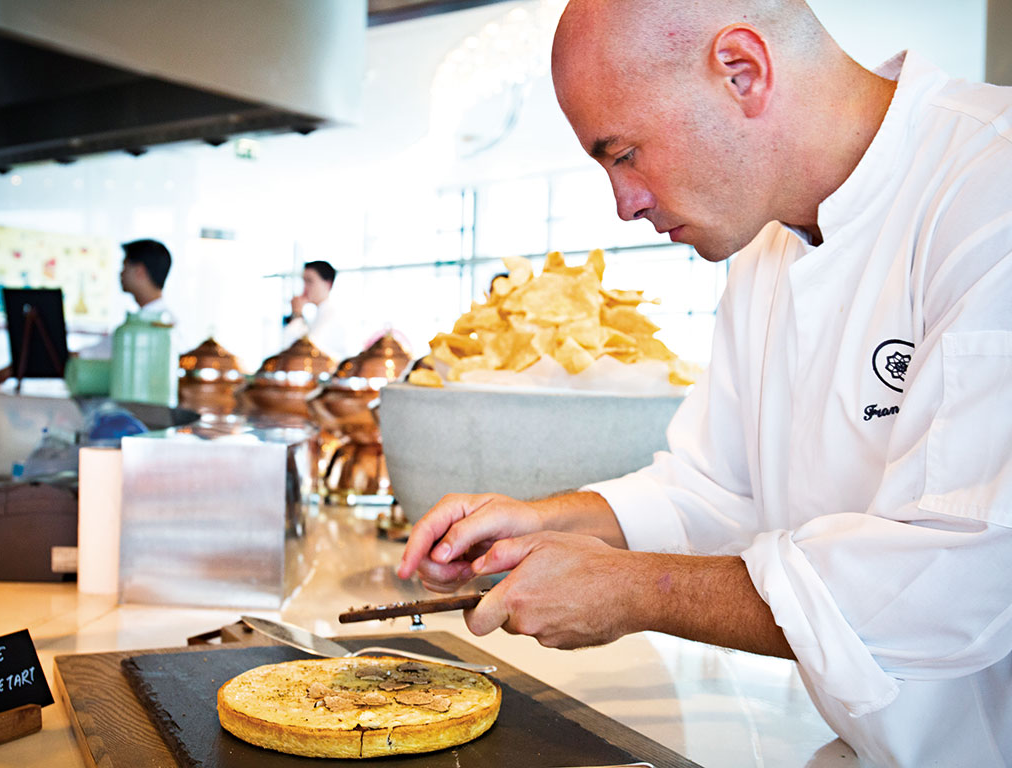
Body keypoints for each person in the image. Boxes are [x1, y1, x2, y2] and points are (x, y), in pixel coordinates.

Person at [397, 1, 1012, 766]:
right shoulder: (766, 247)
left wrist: (634, 590)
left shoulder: (993, 187)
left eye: (624, 155)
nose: (625, 205)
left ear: (742, 71)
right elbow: (718, 489)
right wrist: (548, 523)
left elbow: (961, 581)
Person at [0, 238, 176, 384]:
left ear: (140, 272)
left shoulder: (163, 326)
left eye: (124, 266)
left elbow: (88, 356)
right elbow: (89, 354)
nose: (120, 273)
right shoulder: (137, 323)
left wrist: (19, 367)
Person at [283, 260, 349, 361]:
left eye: (309, 281)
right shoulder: (319, 314)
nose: (304, 288)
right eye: (303, 281)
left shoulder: (332, 314)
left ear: (328, 284)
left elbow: (306, 351)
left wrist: (297, 314)